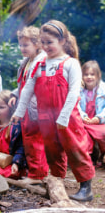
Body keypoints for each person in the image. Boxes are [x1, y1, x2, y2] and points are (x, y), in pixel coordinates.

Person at [11, 20, 95, 201]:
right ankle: (57, 182)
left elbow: (74, 92)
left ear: (62, 41)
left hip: (67, 117)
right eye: (43, 42)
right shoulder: (39, 63)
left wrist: (63, 117)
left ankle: (86, 188)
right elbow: (27, 89)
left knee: (74, 148)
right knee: (52, 149)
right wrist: (19, 112)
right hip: (45, 116)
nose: (45, 46)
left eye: (50, 42)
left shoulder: (70, 63)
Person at [8, 26, 49, 184]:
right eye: (20, 45)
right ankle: (33, 171)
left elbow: (38, 87)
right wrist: (15, 94)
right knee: (28, 140)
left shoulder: (42, 62)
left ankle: (38, 174)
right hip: (25, 109)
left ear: (37, 44)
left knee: (36, 140)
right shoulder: (27, 62)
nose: (22, 48)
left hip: (36, 110)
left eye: (25, 45)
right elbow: (23, 85)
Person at [79, 60, 105, 165]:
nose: (89, 77)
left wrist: (99, 118)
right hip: (84, 121)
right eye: (86, 74)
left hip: (98, 121)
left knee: (102, 133)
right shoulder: (78, 90)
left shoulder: (103, 89)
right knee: (83, 135)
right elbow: (75, 106)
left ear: (98, 76)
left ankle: (103, 154)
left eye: (92, 74)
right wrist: (83, 117)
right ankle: (87, 157)